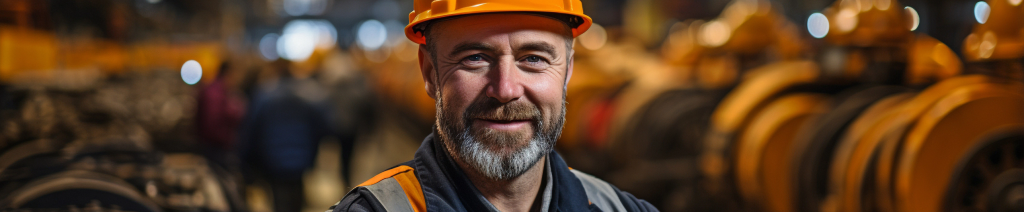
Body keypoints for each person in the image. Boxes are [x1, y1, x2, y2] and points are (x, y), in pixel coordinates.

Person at [329, 0, 658, 211]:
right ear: (430, 72)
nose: (505, 89)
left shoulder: (620, 208)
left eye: (533, 58)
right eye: (474, 58)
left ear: (568, 71)